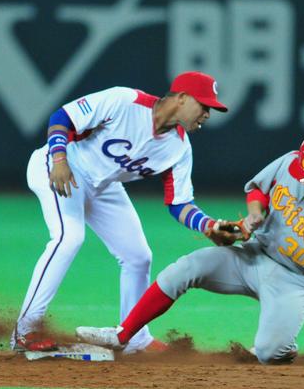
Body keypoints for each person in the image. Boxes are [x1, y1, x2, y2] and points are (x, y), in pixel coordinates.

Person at [75, 129, 304, 364]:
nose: (303, 176)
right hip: (252, 256)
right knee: (185, 269)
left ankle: (283, 343)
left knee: (269, 352)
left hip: (294, 281)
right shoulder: (293, 162)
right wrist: (254, 214)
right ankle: (123, 334)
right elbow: (258, 189)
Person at [12, 72, 229, 353]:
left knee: (138, 257)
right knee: (69, 237)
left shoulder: (179, 149)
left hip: (103, 187)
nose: (208, 114)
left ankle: (135, 339)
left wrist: (208, 226)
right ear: (182, 98)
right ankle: (24, 331)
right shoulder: (125, 100)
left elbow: (179, 203)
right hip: (59, 168)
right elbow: (62, 117)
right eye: (204, 105)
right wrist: (59, 157)